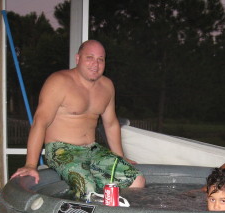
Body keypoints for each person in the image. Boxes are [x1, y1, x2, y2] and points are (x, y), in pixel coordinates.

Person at [11, 40, 145, 200]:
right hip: (61, 150)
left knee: (136, 181)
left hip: (92, 149)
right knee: (87, 189)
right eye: (90, 57)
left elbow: (111, 123)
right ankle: (64, 205)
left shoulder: (107, 86)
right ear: (78, 58)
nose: (95, 64)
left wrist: (119, 156)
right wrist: (31, 164)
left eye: (100, 59)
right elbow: (40, 122)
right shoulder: (59, 82)